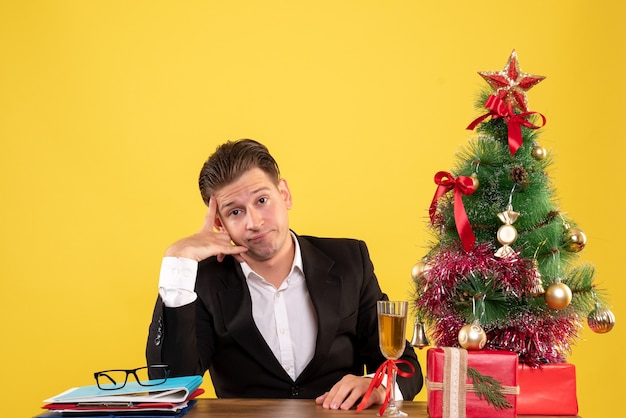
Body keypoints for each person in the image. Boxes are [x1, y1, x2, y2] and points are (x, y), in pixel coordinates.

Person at [145, 139, 423, 410]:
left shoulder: (349, 260)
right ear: (220, 223)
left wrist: (377, 385)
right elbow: (170, 386)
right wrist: (177, 262)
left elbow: (406, 364)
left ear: (285, 194)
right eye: (236, 212)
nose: (254, 222)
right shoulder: (204, 281)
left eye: (262, 200)